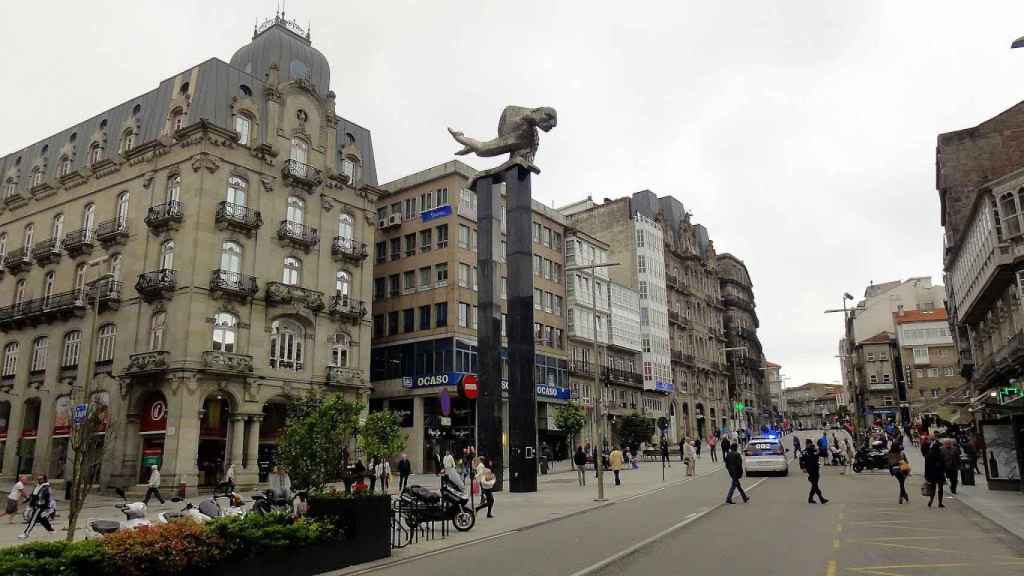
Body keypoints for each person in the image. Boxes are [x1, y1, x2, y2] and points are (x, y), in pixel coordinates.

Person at [802, 439, 828, 504]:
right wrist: (803, 467)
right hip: (809, 470)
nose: (807, 445)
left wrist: (821, 449)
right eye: (807, 444)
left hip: (816, 469)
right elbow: (801, 460)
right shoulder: (804, 452)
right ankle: (821, 498)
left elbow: (824, 454)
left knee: (814, 485)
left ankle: (810, 498)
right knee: (814, 484)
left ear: (811, 443)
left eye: (809, 444)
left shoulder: (815, 450)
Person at [925, 441, 947, 508]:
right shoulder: (940, 454)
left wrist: (926, 475)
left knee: (933, 488)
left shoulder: (928, 455)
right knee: (940, 488)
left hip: (931, 474)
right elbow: (944, 464)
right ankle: (940, 503)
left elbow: (926, 466)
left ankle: (931, 501)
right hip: (939, 473)